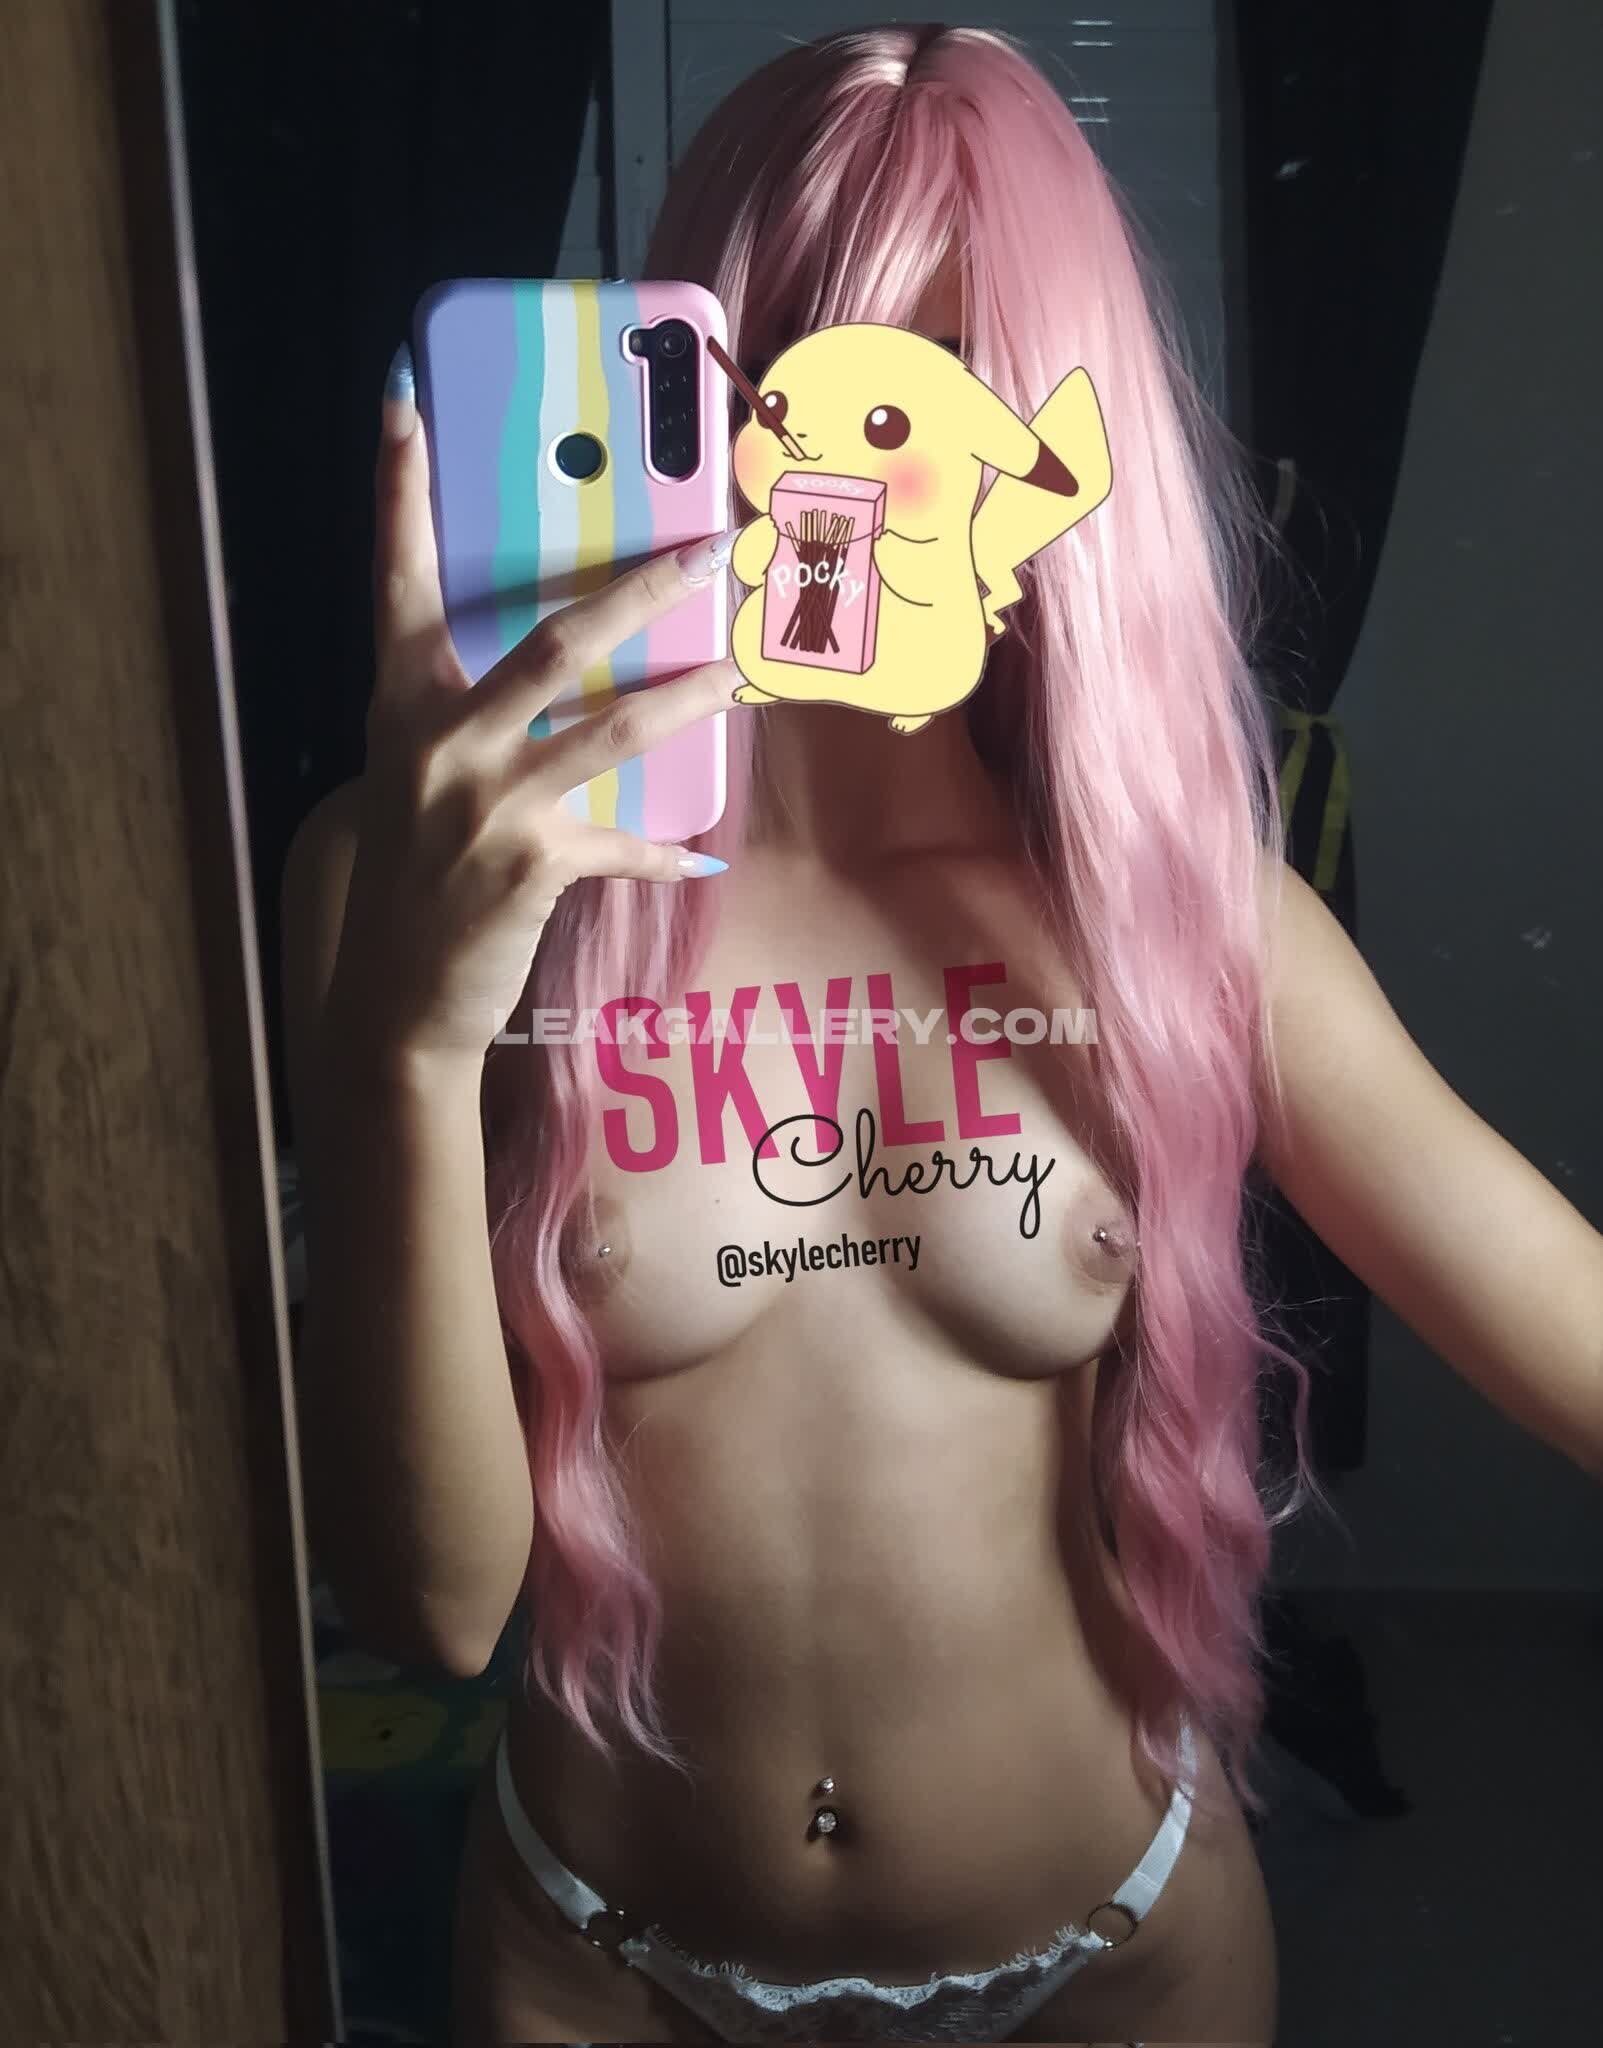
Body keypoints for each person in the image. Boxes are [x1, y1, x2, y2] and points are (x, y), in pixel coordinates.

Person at [280, 25, 1603, 2045]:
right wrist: (412, 1041)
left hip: (1110, 1958)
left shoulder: (1169, 909)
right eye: (790, 381)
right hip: (602, 1964)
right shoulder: (418, 886)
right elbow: (432, 1607)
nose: (857, 488)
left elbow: (1566, 1327)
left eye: (943, 397)